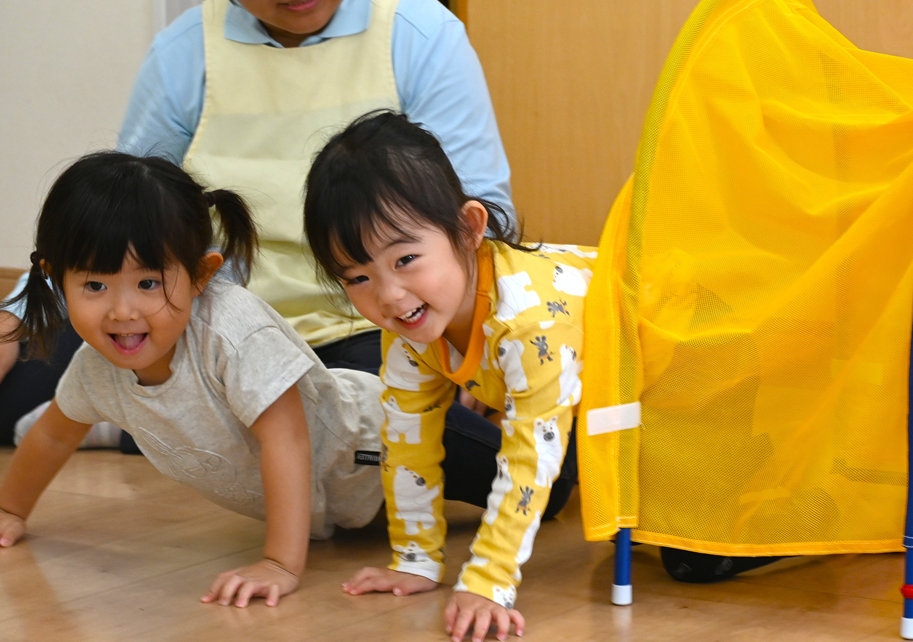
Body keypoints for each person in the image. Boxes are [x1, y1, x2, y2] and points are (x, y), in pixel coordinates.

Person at [0, 0, 514, 438]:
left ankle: (148, 425)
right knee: (13, 396)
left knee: (405, 433)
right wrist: (19, 311)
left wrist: (478, 339)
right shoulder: (183, 52)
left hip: (371, 320)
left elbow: (480, 212)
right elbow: (118, 216)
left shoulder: (419, 32)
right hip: (209, 324)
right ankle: (155, 420)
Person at [0, 151, 388, 608]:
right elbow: (52, 436)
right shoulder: (95, 369)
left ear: (201, 274)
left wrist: (279, 563)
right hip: (342, 509)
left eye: (148, 284)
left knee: (492, 478)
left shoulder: (232, 334)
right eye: (95, 286)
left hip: (386, 444)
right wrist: (10, 509)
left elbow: (287, 440)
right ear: (55, 282)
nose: (123, 311)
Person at [303, 111, 587, 642]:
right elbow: (407, 441)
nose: (388, 295)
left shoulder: (529, 320)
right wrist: (415, 559)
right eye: (359, 278)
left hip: (679, 369)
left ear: (468, 229)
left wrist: (488, 580)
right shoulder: (410, 327)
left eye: (406, 258)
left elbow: (528, 453)